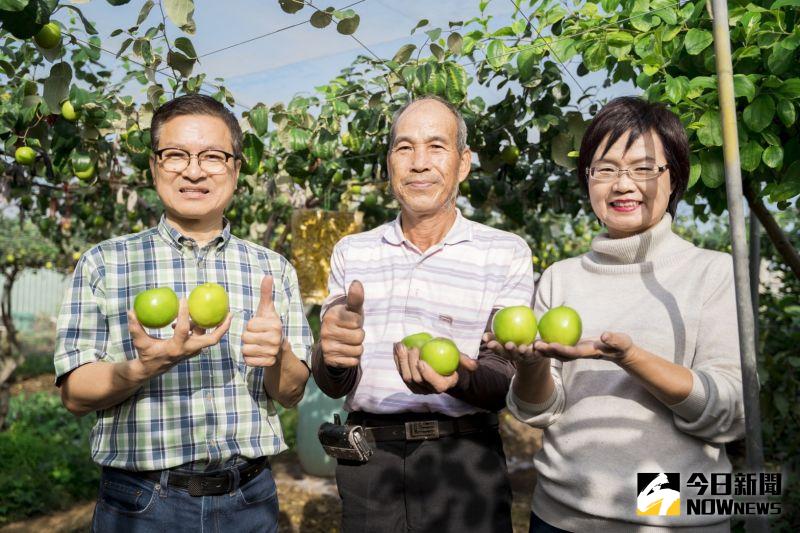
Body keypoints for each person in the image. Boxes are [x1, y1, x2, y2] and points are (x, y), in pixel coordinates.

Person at [54, 94, 312, 532]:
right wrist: (144, 368)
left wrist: (279, 354)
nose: (193, 171)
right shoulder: (105, 263)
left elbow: (290, 393)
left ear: (235, 168)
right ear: (154, 166)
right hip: (141, 503)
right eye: (175, 155)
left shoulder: (273, 269)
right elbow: (75, 394)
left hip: (249, 500)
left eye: (212, 156)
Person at [492, 96, 745, 532]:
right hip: (558, 516)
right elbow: (540, 411)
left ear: (674, 177)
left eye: (644, 168)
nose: (623, 184)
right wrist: (530, 366)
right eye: (605, 169)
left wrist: (632, 359)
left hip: (668, 521)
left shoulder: (711, 272)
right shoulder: (560, 278)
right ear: (587, 179)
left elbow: (731, 413)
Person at [313, 95, 535, 533]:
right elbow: (333, 380)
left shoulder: (503, 252)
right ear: (389, 163)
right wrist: (331, 356)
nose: (418, 163)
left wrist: (459, 378)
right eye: (404, 147)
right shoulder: (352, 251)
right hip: (368, 465)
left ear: (463, 162)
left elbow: (503, 377)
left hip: (465, 461)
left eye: (436, 146)